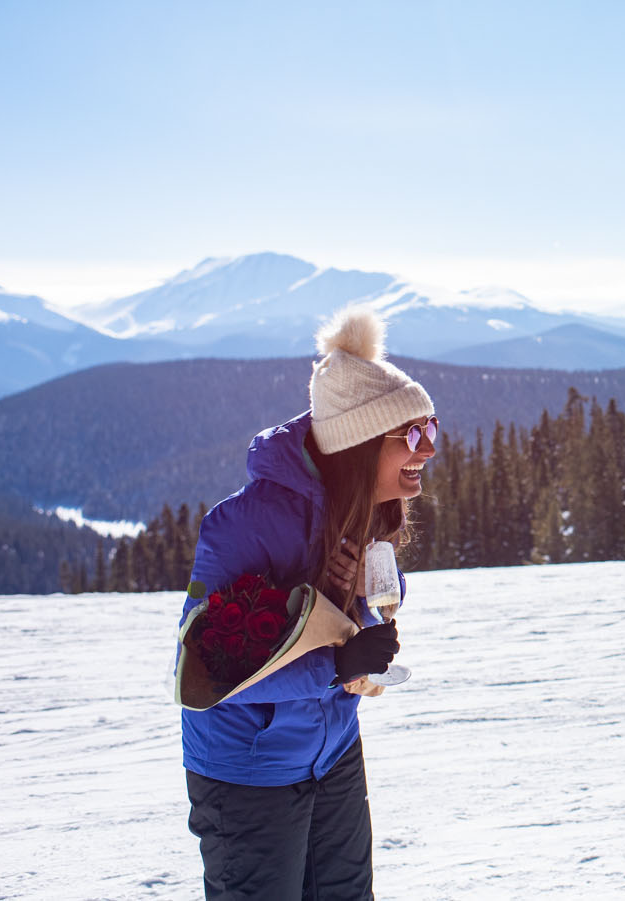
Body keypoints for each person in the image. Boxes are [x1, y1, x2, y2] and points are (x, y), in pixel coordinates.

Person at [179, 305, 438, 899]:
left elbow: (369, 603)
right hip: (250, 772)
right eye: (412, 436)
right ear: (360, 443)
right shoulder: (244, 525)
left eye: (432, 429)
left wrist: (369, 602)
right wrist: (335, 667)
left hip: (334, 752)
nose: (427, 449)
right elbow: (203, 668)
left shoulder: (362, 507)